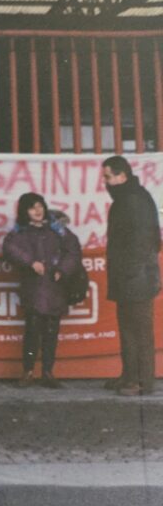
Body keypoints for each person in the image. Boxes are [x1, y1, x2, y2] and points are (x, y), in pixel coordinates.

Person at [2, 193, 82, 389]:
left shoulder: (58, 229)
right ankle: (28, 371)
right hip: (34, 288)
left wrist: (63, 269)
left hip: (55, 288)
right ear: (25, 211)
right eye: (32, 207)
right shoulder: (20, 231)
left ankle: (47, 372)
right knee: (32, 331)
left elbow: (73, 250)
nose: (37, 211)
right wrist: (30, 262)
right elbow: (9, 248)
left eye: (40, 206)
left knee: (51, 333)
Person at [102, 156, 161, 396]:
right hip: (133, 276)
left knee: (137, 330)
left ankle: (140, 381)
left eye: (108, 176)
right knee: (130, 328)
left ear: (122, 176)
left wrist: (129, 272)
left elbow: (142, 241)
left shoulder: (132, 200)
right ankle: (130, 375)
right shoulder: (132, 197)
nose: (105, 182)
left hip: (135, 277)